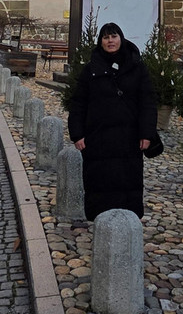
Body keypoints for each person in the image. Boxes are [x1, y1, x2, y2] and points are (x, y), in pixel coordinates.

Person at [68, 21, 157, 220]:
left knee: (127, 178)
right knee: (100, 179)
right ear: (100, 42)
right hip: (98, 137)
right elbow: (79, 103)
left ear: (121, 38)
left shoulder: (137, 67)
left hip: (129, 137)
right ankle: (101, 221)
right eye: (106, 37)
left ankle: (127, 221)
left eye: (114, 36)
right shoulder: (90, 70)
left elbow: (147, 102)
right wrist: (77, 133)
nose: (110, 41)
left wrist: (146, 133)